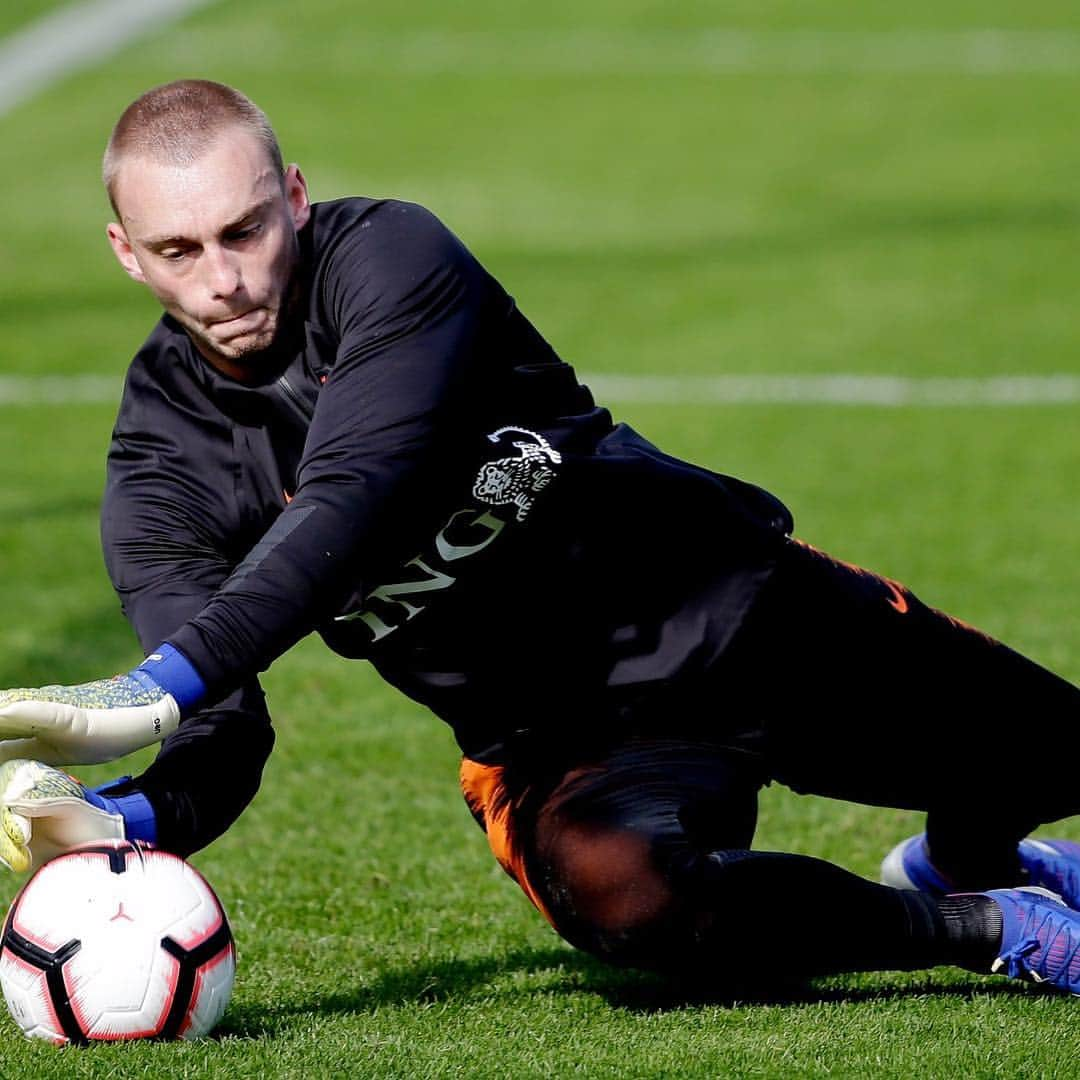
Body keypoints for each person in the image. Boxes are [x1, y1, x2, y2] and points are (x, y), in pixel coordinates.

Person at [1, 79, 1079, 995]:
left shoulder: (392, 259)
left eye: (244, 230)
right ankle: (993, 929)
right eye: (177, 249)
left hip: (726, 604)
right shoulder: (161, 478)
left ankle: (963, 859)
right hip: (555, 747)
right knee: (631, 900)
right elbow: (225, 735)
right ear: (125, 255)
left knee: (1056, 751)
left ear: (294, 198)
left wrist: (148, 690)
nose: (224, 279)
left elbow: (350, 493)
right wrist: (121, 817)